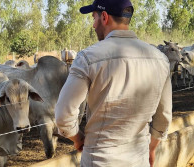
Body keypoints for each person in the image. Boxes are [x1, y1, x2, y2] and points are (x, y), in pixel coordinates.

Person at [55, 0, 172, 166]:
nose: (94, 25)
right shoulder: (160, 59)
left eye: (93, 18)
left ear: (104, 17)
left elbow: (63, 115)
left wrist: (78, 138)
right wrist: (151, 148)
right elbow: (164, 117)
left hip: (99, 160)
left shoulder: (88, 58)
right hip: (139, 159)